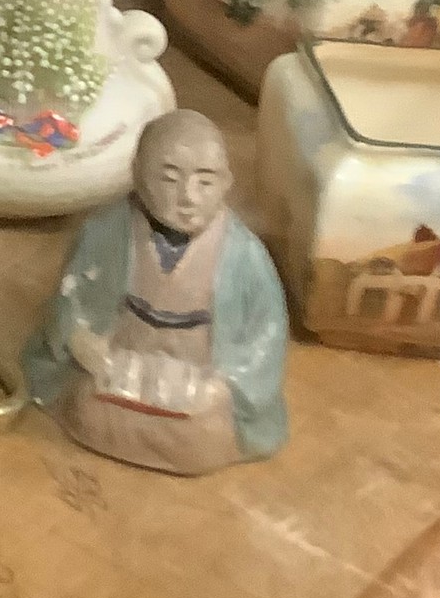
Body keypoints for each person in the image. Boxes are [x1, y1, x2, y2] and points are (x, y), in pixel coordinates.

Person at [23, 109, 288, 474]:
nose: (187, 197)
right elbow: (72, 298)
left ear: (227, 182)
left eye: (205, 182)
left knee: (203, 436)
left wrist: (226, 385)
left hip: (199, 380)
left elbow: (265, 336)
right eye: (169, 179)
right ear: (139, 175)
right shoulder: (105, 231)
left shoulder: (245, 256)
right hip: (120, 363)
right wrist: (79, 338)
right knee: (88, 406)